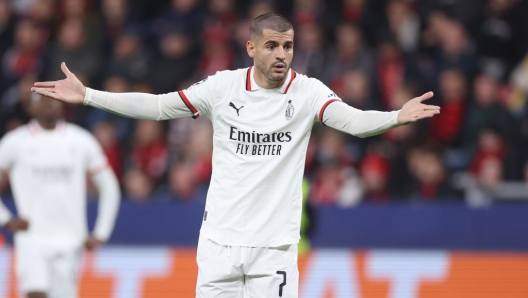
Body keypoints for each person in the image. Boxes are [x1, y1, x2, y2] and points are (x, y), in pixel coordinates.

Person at [31, 13, 439, 298]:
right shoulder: (222, 88)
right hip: (219, 244)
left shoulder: (309, 91)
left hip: (274, 248)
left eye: (289, 46)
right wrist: (87, 96)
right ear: (250, 47)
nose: (282, 54)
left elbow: (352, 121)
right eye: (272, 46)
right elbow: (157, 106)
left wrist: (395, 117)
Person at [0, 93, 121, 298]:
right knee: (35, 293)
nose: (49, 103)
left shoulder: (81, 140)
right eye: (42, 99)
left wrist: (102, 232)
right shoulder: (15, 142)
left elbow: (109, 187)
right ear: (30, 107)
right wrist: (6, 219)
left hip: (71, 238)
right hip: (32, 237)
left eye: (54, 99)